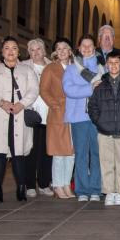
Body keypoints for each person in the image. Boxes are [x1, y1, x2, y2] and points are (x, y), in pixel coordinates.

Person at [0, 37, 39, 203]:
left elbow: (34, 90)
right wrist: (1, 102)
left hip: (19, 117)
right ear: (2, 51)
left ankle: (21, 187)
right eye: (7, 48)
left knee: (18, 154)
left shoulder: (27, 70)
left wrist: (22, 104)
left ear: (18, 52)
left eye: (14, 48)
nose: (11, 51)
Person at [62, 34, 104, 202]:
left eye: (90, 46)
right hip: (78, 117)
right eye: (83, 46)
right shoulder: (71, 69)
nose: (87, 49)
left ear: (95, 48)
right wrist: (90, 87)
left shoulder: (103, 68)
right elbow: (68, 89)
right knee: (80, 154)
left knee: (96, 153)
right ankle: (81, 190)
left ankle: (95, 188)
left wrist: (89, 88)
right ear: (78, 48)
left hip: (98, 117)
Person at [88, 50, 120, 206]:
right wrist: (99, 121)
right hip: (104, 131)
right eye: (110, 63)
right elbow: (92, 106)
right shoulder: (100, 86)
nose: (113, 66)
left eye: (116, 63)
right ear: (106, 65)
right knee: (106, 162)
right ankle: (109, 192)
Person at [39, 38, 75, 199]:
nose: (61, 51)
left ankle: (67, 184)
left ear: (70, 51)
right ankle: (58, 185)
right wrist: (55, 105)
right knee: (59, 153)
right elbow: (44, 90)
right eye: (58, 48)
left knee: (71, 152)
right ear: (55, 52)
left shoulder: (76, 67)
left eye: (64, 48)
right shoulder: (50, 68)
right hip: (58, 114)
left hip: (75, 114)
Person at [23, 38, 53, 197]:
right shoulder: (23, 66)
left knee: (47, 151)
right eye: (32, 50)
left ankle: (43, 183)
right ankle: (29, 185)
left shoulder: (53, 66)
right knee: (31, 150)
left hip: (49, 115)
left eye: (38, 49)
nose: (35, 53)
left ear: (44, 50)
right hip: (31, 114)